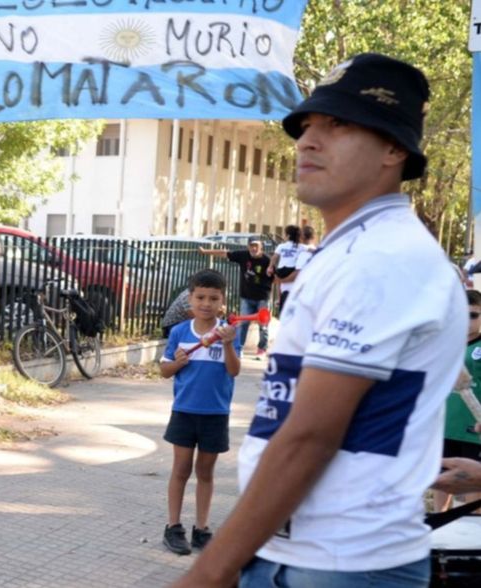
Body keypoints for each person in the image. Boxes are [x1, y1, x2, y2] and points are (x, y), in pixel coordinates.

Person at [173, 54, 465, 588]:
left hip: (339, 567)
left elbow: (310, 435)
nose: (307, 141)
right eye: (306, 126)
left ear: (395, 149)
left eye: (339, 124)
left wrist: (211, 571)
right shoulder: (350, 249)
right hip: (300, 556)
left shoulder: (384, 258)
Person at [158, 269, 241, 555]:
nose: (206, 303)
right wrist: (178, 363)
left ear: (222, 301)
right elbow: (164, 371)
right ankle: (173, 526)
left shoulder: (229, 332)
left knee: (205, 471)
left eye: (213, 298)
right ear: (189, 299)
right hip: (184, 411)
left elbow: (234, 370)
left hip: (216, 413)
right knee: (180, 469)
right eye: (200, 297)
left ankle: (202, 529)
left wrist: (228, 343)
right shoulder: (180, 333)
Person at [432, 289, 481, 512]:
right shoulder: (444, 344)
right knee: (441, 479)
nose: (468, 321)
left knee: (473, 483)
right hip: (444, 425)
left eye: (474, 315)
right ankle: (442, 524)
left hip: (473, 428)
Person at [198, 238, 273, 356]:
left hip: (262, 297)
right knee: (242, 323)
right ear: (248, 246)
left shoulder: (267, 260)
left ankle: (262, 349)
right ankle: (240, 348)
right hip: (246, 296)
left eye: (256, 246)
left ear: (261, 247)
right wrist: (206, 251)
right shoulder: (243, 255)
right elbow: (224, 253)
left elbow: (277, 278)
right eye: (251, 246)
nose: (254, 248)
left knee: (263, 325)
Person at [267, 225, 303, 317]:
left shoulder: (281, 246)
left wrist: (270, 267)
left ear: (288, 236)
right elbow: (311, 249)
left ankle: (279, 300)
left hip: (281, 270)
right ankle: (280, 301)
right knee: (283, 284)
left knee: (280, 283)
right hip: (291, 269)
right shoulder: (300, 246)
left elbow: (274, 257)